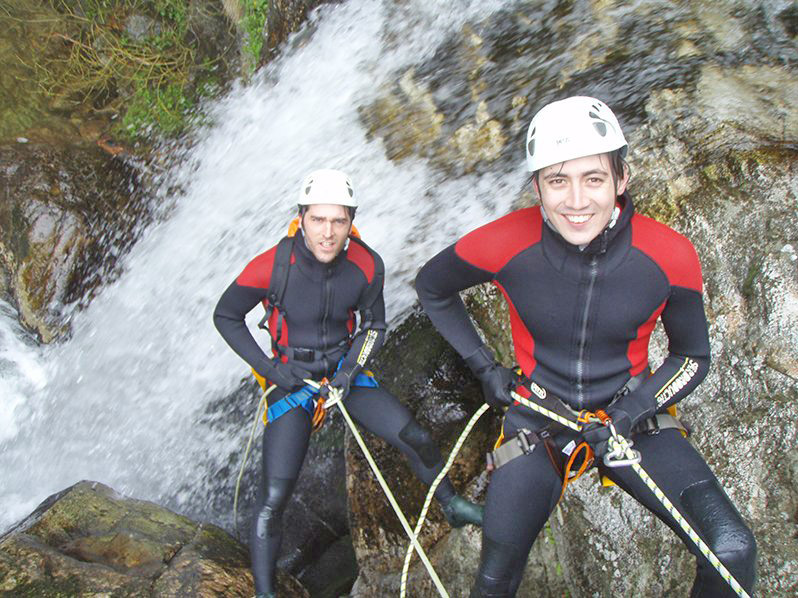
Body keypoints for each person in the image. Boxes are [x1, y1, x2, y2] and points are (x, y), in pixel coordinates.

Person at [415, 97, 756, 597]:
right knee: (494, 576)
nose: (576, 200)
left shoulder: (667, 256)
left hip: (632, 418)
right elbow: (432, 286)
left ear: (621, 180)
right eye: (558, 181)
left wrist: (630, 411)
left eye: (593, 178)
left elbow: (692, 357)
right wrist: (484, 367)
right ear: (537, 187)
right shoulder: (508, 243)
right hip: (538, 419)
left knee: (731, 550)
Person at [213, 168, 482, 598]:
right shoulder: (272, 266)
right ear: (301, 218)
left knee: (415, 435)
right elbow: (225, 316)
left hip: (345, 372)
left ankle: (451, 505)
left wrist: (349, 372)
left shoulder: (366, 264)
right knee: (275, 495)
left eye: (338, 221)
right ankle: (264, 593)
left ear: (350, 221)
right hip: (292, 378)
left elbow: (374, 326)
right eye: (318, 220)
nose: (327, 232)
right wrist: (271, 369)